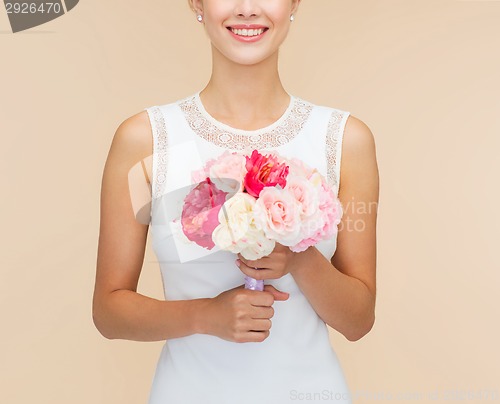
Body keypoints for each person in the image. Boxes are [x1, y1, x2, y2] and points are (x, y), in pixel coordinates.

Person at [92, 0, 379, 402]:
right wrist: (204, 315)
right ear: (197, 3)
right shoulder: (147, 142)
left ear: (294, 3)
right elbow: (109, 311)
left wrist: (298, 257)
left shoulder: (344, 141)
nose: (247, 9)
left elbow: (359, 320)